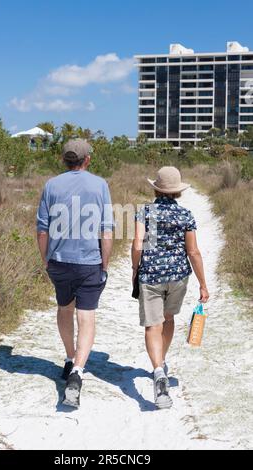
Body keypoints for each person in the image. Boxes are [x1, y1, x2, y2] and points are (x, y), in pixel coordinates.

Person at [37, 139, 114, 408]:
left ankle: (69, 359)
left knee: (64, 309)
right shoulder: (100, 185)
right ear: (87, 159)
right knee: (87, 316)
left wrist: (46, 260)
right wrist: (105, 264)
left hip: (58, 260)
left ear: (64, 160)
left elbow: (43, 229)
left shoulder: (51, 185)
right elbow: (106, 230)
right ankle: (78, 372)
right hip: (90, 261)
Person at [131, 167, 209, 410]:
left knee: (152, 325)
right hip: (178, 276)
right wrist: (203, 283)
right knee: (168, 318)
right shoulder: (186, 215)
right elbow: (193, 251)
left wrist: (136, 269)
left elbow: (137, 244)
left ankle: (157, 370)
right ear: (178, 191)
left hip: (151, 275)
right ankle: (162, 362)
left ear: (156, 188)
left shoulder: (144, 212)